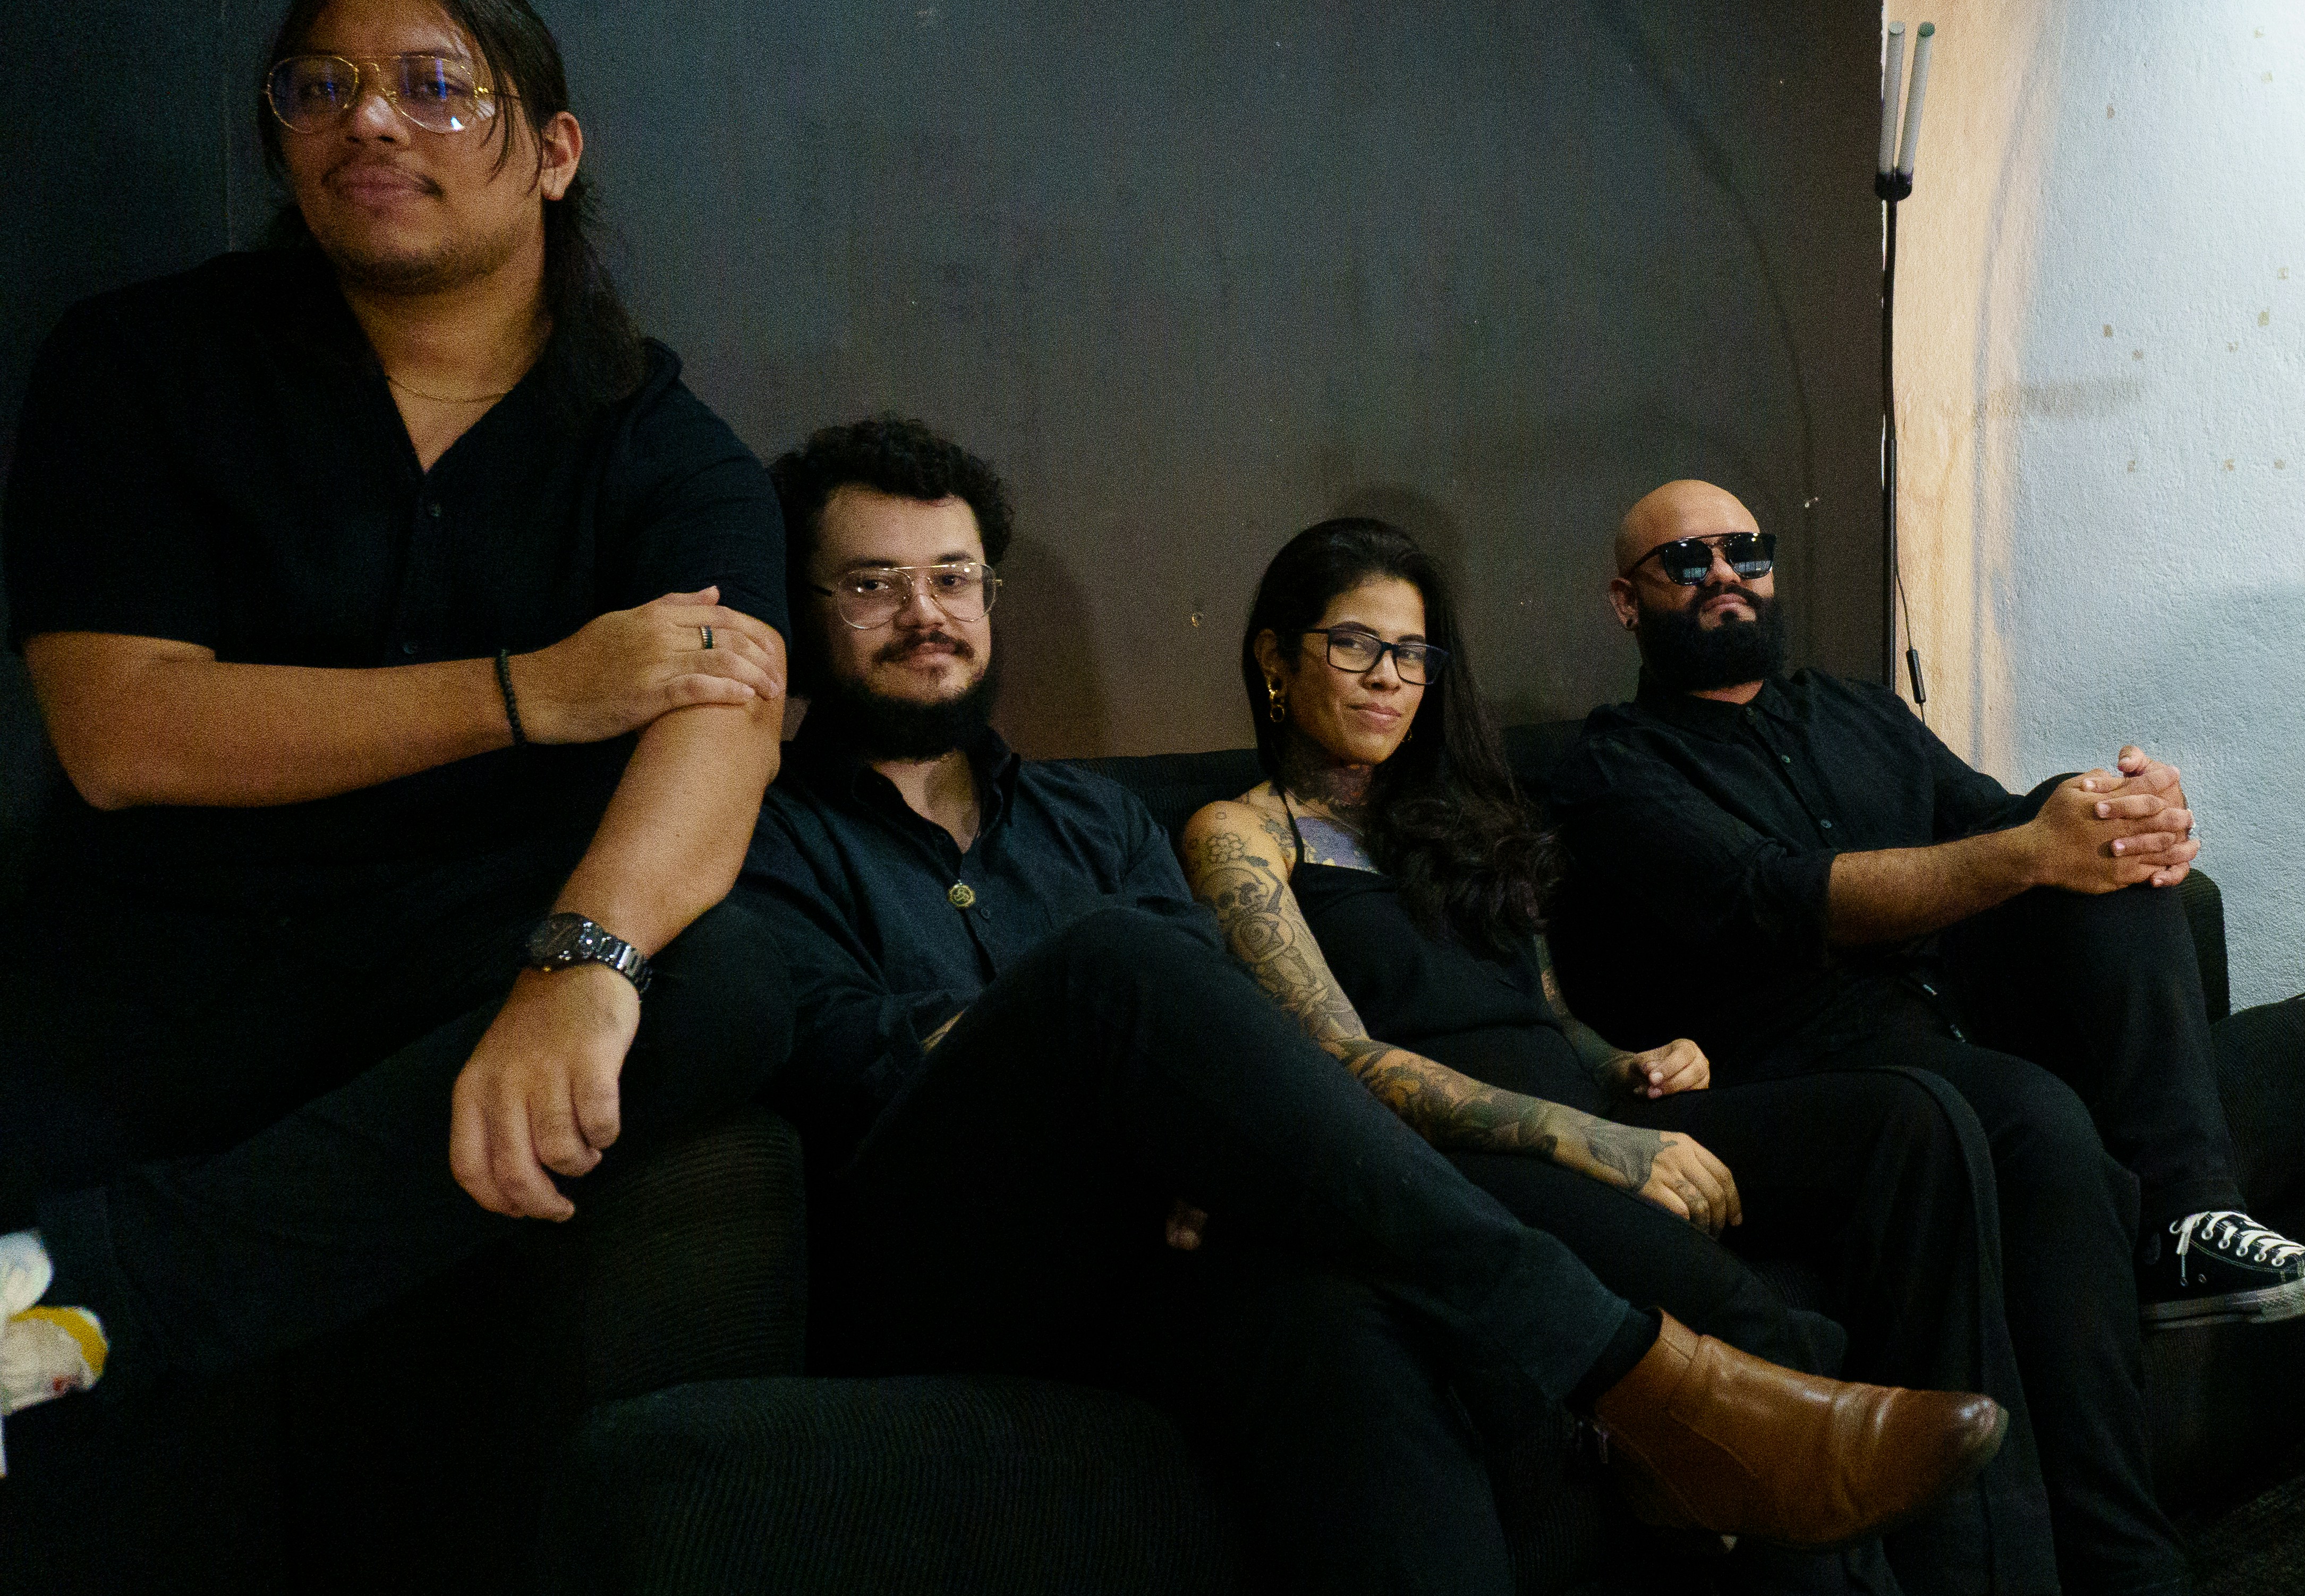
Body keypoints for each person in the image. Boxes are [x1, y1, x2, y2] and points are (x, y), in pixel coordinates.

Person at [731, 419, 2009, 1596]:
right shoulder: (760, 833)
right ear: (807, 603)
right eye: (873, 582)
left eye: (953, 578)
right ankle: (1649, 1376)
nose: (924, 612)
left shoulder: (1088, 818)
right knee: (1113, 969)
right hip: (937, 1246)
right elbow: (863, 1056)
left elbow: (1219, 1028)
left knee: (1351, 1326)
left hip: (1160, 1246)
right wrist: (1132, 1097)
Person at [0, 0, 796, 1481]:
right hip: (162, 957)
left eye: (435, 88)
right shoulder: (143, 365)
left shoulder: (659, 440)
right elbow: (126, 732)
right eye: (321, 89)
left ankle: (90, 1294)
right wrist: (533, 694)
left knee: (730, 979)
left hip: (454, 979)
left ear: (552, 154)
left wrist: (586, 959)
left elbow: (725, 723)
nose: (369, 124)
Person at [1181, 515, 2146, 1596]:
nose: (1389, 679)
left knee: (1917, 1122)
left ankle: (1988, 1569)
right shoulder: (1242, 833)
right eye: (1354, 645)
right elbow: (1334, 1059)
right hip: (1445, 1156)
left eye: (1413, 653)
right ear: (1276, 657)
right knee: (1749, 1322)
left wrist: (1630, 1061)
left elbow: (1549, 1015)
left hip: (1585, 1118)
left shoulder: (1463, 817)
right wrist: (1587, 1135)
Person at [1543, 479, 2305, 1590]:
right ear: (1626, 600)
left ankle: (2191, 1214)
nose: (1723, 576)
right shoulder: (1614, 765)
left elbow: (2003, 828)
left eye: (1745, 551)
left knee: (2083, 820)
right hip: (1788, 1063)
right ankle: (2123, 1563)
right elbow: (1790, 897)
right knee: (2043, 1125)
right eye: (1686, 559)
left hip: (1940, 1019)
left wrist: (2117, 821)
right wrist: (2037, 847)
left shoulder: (1857, 708)